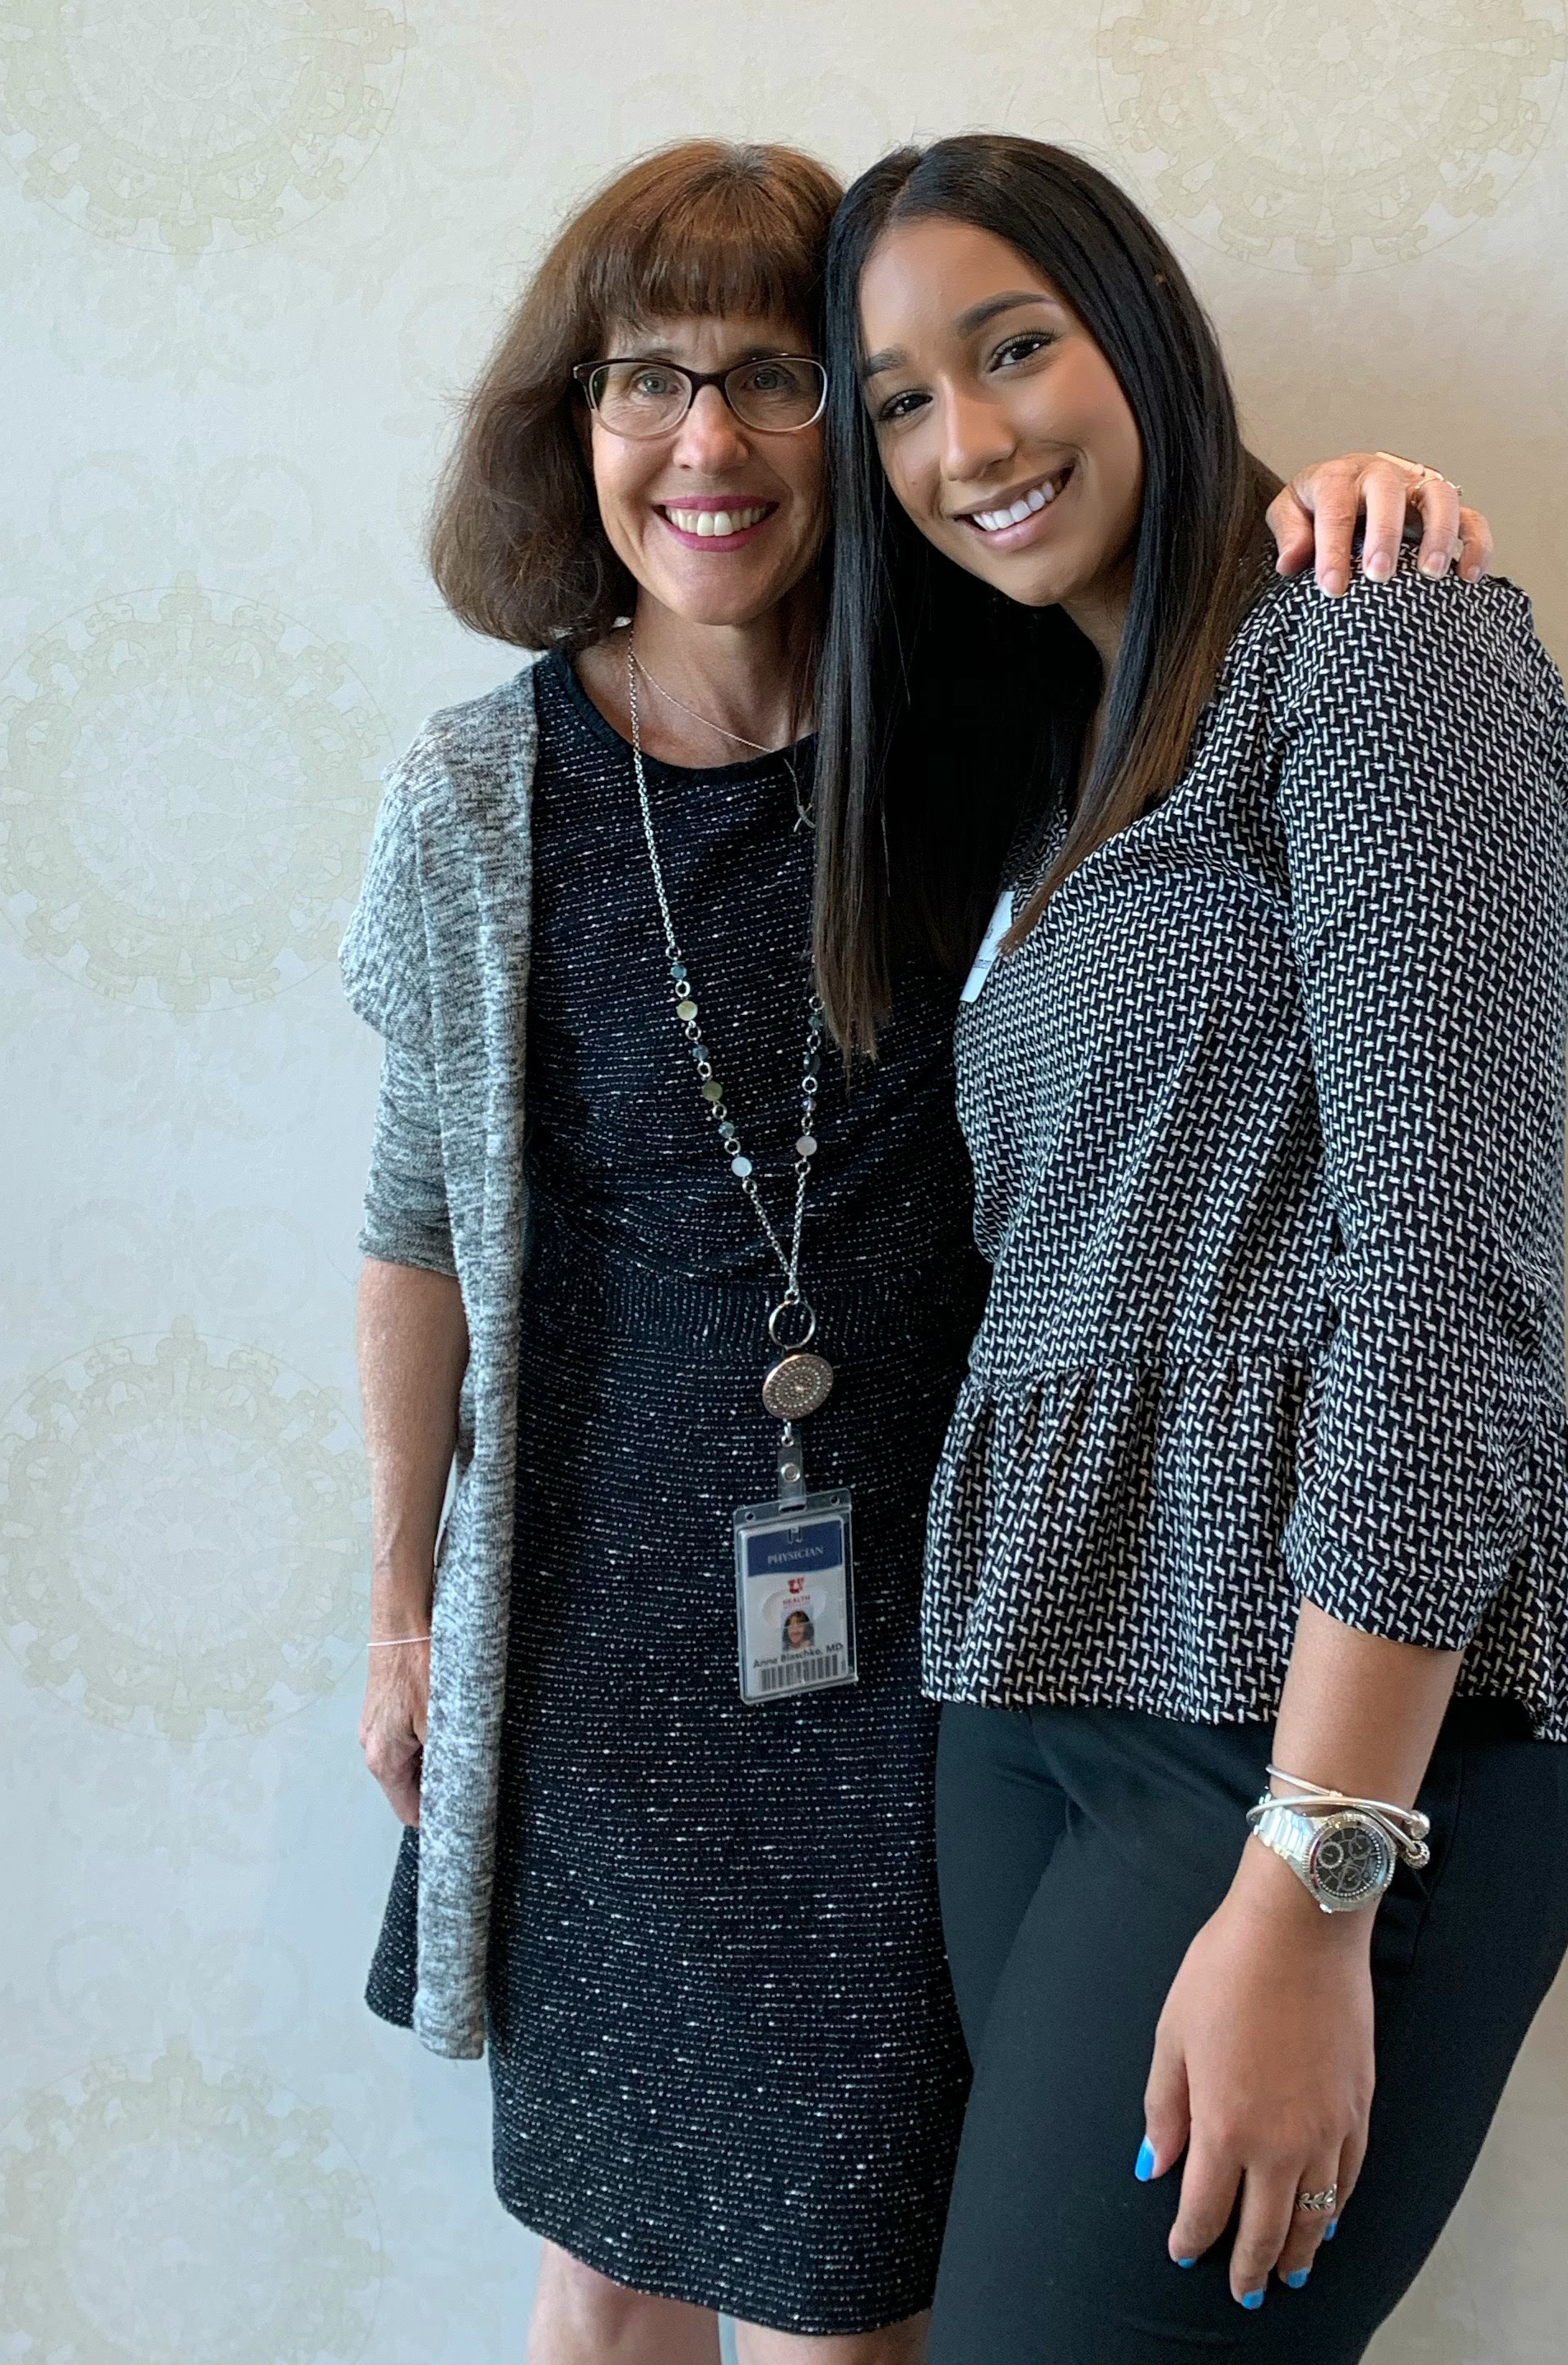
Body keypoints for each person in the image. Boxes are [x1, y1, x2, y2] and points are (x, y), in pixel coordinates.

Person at [344, 136, 1498, 2365]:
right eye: (644, 379)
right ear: (563, 427)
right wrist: (403, 1606)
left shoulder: (999, 730)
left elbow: (1208, 640)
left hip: (935, 1646)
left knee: (848, 2288)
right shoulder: (480, 800)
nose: (704, 445)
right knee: (598, 2259)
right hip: (592, 1641)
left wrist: (1360, 499)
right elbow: (411, 1219)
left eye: (776, 380)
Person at [814, 134, 1568, 2363]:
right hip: (1035, 1698)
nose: (969, 441)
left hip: (1305, 1727)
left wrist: (1317, 1859)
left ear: (1146, 335)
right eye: (896, 398)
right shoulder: (1049, 769)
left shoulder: (1382, 643)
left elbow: (1451, 1271)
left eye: (1014, 348)